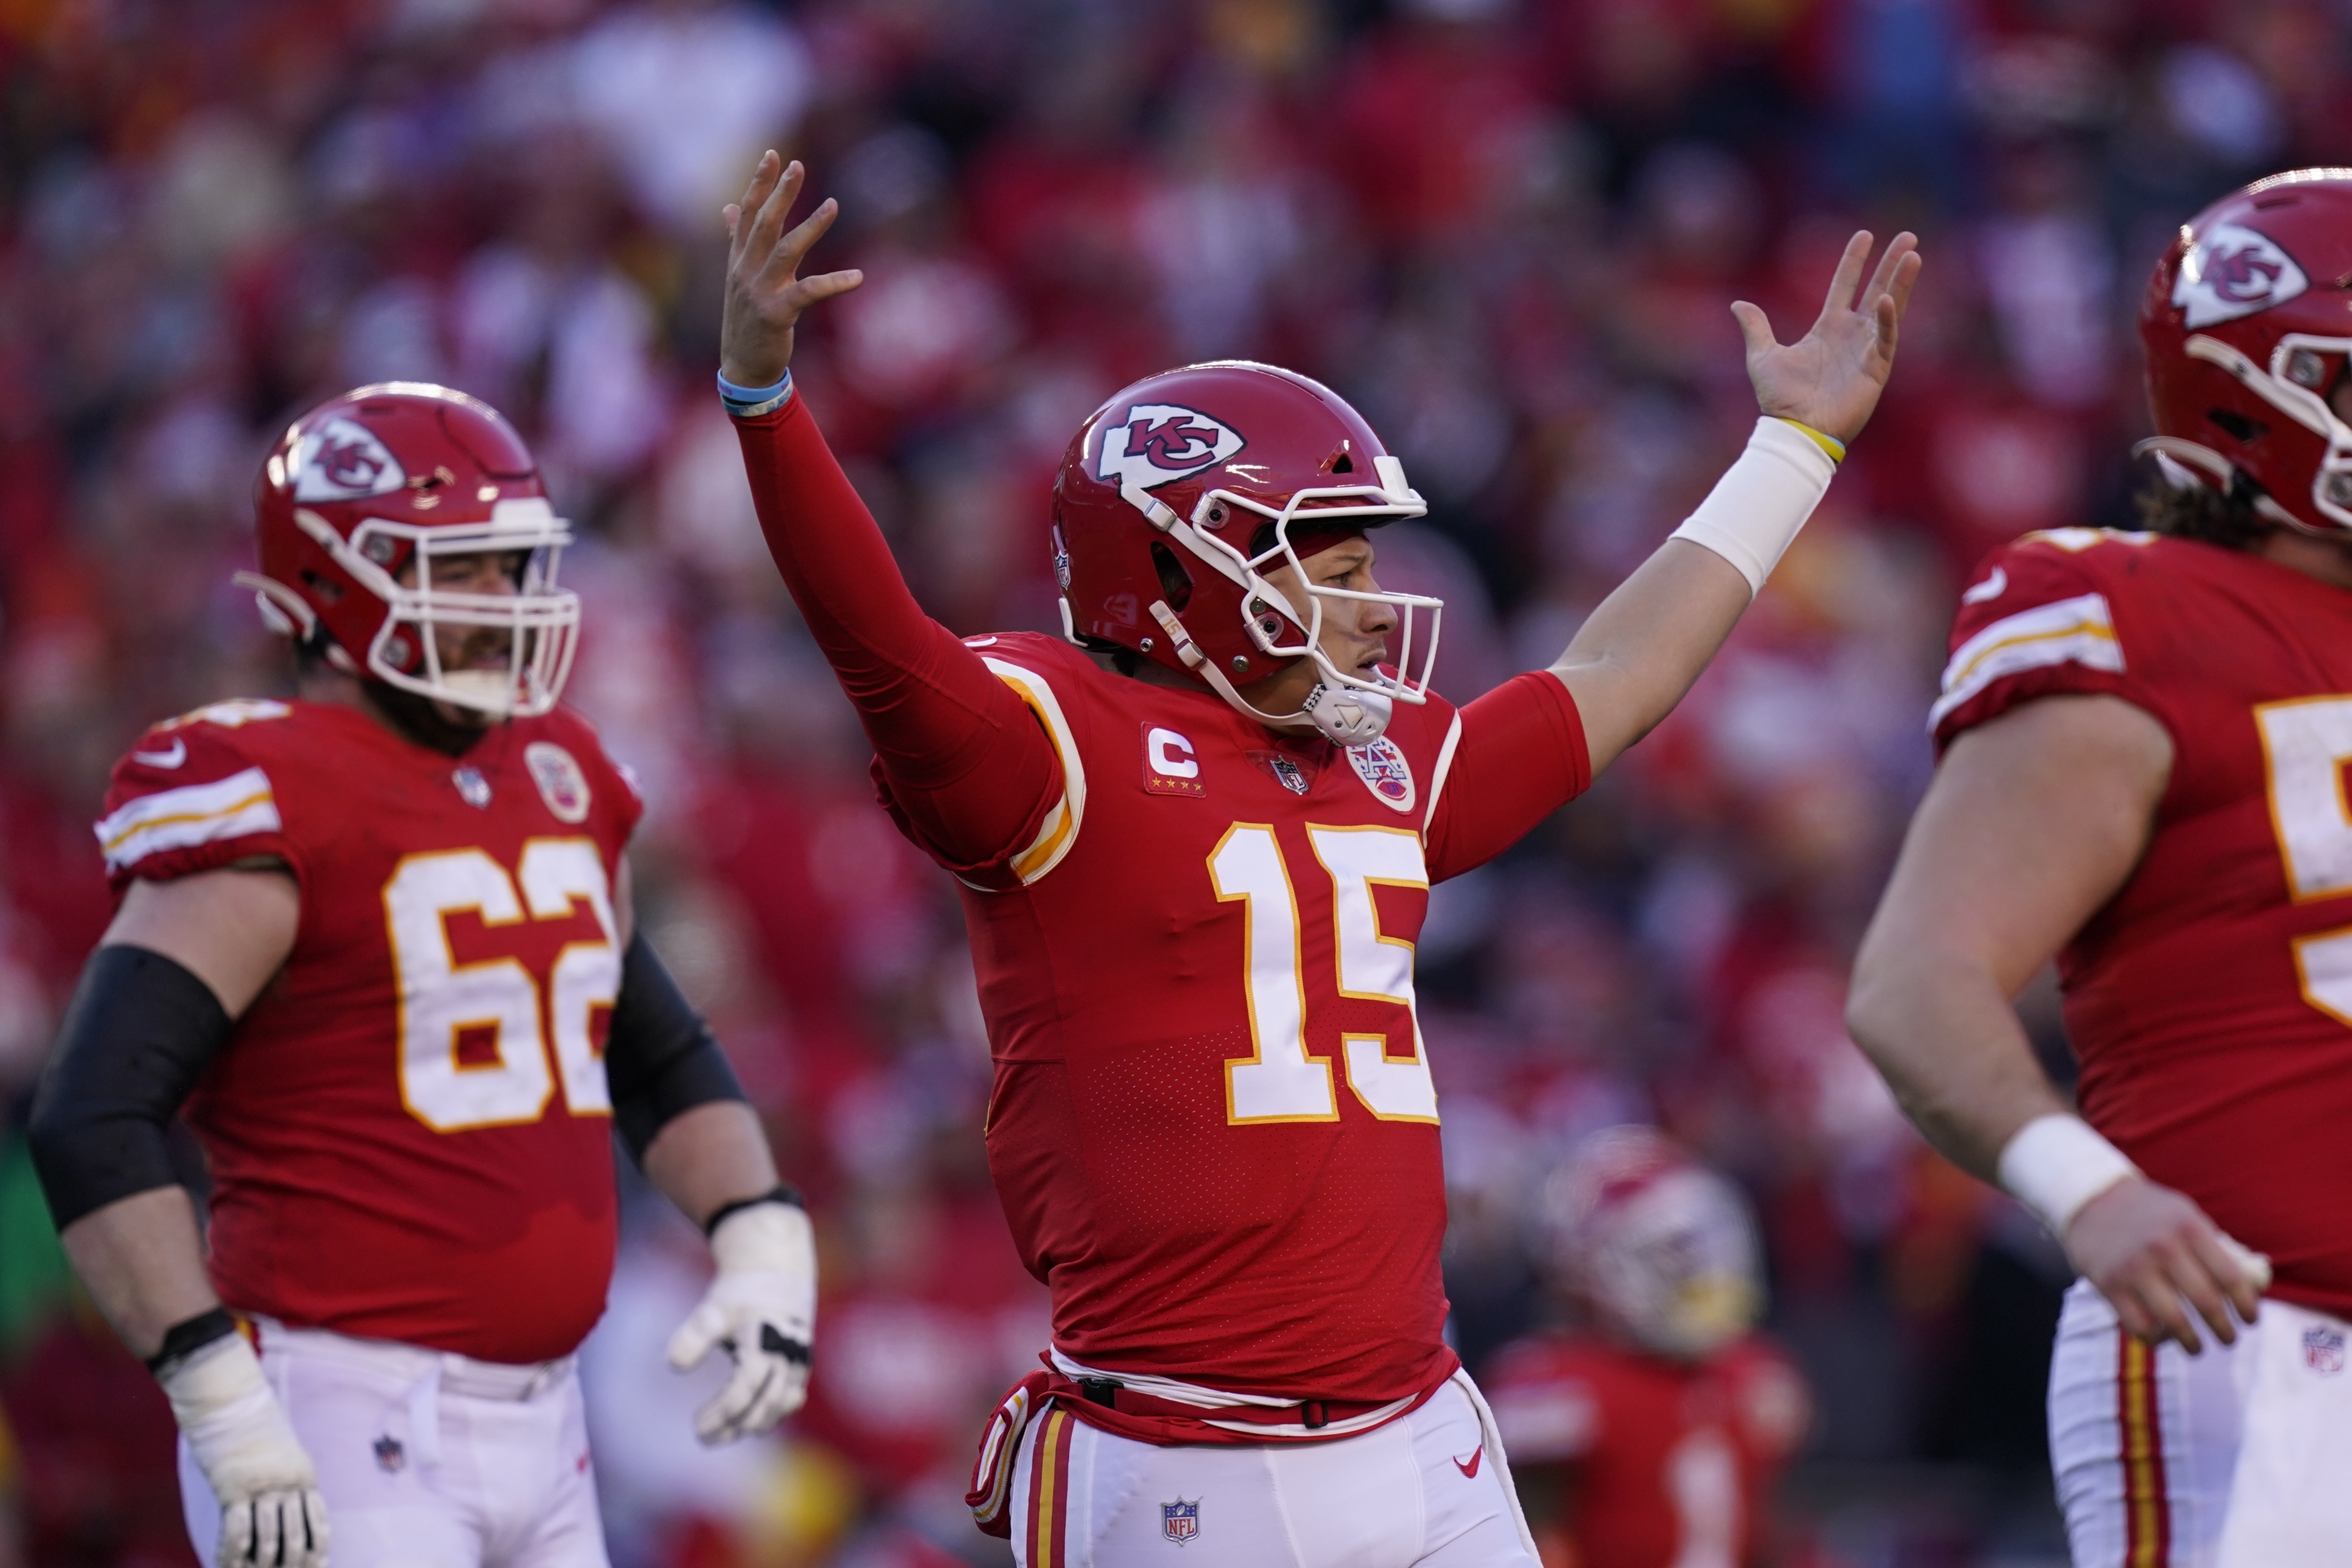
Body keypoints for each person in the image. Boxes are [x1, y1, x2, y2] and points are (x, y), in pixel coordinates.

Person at [717, 151, 1918, 1567]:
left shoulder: (1378, 755)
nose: (1368, 607)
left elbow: (1612, 677)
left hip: (1425, 1419)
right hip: (1194, 1454)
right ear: (1178, 571)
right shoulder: (1055, 743)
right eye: (1329, 566)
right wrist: (766, 405)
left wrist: (1790, 452)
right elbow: (881, 648)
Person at [25, 383, 816, 1568]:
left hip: (551, 1421)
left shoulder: (555, 770)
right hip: (340, 1410)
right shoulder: (273, 793)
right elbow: (94, 1113)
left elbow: (651, 1045)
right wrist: (217, 1392)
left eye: (514, 566)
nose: (508, 603)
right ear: (342, 579)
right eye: (470, 569)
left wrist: (761, 1238)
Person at [1846, 170, 2352, 1568]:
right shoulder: (2137, 614)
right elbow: (1916, 981)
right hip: (2260, 1341)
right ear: (2265, 394)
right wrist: (2088, 1188)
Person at [1484, 1127, 1809, 1568]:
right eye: (1672, 1260)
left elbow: (1766, 1533)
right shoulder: (1560, 1386)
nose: (1700, 1280)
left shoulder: (1750, 1374)